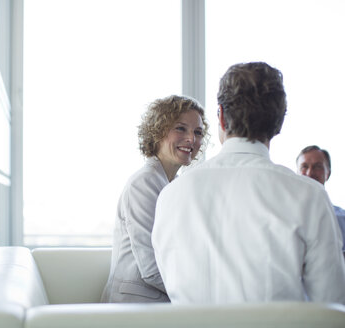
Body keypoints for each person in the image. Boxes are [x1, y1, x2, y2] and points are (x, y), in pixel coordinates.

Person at [152, 62, 345, 304]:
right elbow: (331, 304)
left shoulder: (171, 196)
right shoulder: (310, 196)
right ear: (279, 123)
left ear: (220, 117)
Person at [101, 95, 209, 303]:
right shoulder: (144, 183)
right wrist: (200, 294)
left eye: (198, 132)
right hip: (135, 305)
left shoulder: (172, 184)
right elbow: (151, 269)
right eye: (181, 128)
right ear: (158, 131)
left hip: (159, 302)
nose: (191, 139)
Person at [296, 145, 345, 251]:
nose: (309, 173)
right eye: (304, 166)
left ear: (328, 173)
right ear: (297, 173)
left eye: (317, 166)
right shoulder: (283, 216)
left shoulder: (343, 219)